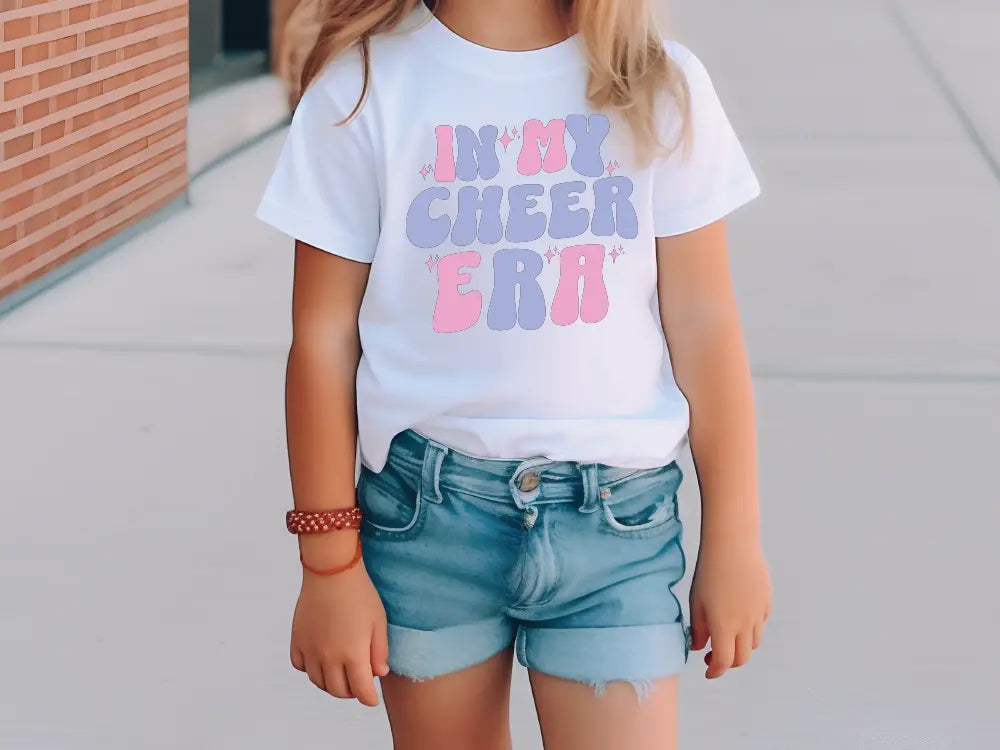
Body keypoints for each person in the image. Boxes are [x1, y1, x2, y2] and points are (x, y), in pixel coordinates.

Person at [257, 1, 771, 747]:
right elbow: (323, 338)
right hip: (427, 523)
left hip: (615, 528)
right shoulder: (363, 85)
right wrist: (328, 566)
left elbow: (705, 325)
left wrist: (735, 539)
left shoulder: (656, 85)